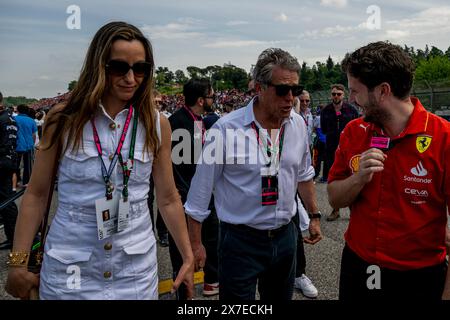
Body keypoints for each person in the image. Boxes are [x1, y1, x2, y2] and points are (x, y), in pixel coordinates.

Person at [6, 21, 194, 300]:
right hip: (70, 271)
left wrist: (187, 256)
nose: (131, 78)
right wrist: (18, 262)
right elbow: (36, 193)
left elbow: (167, 198)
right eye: (119, 68)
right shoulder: (63, 119)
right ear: (98, 66)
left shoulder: (157, 124)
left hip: (135, 273)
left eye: (140, 69)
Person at [185, 48, 322, 301]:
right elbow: (199, 195)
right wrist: (195, 244)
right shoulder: (225, 130)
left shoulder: (298, 124)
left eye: (295, 89)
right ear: (259, 88)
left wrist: (314, 215)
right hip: (240, 241)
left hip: (285, 237)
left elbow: (303, 174)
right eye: (282, 90)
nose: (291, 98)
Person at [327, 41, 450, 300]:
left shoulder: (443, 138)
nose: (351, 99)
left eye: (355, 91)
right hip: (358, 266)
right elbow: (334, 198)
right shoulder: (353, 132)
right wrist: (359, 179)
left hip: (418, 276)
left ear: (383, 91)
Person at [168, 78, 220, 298]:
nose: (214, 100)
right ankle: (184, 291)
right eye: (211, 96)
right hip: (184, 198)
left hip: (202, 194)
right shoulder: (175, 122)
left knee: (211, 239)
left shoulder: (198, 120)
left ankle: (211, 280)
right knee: (182, 248)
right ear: (201, 100)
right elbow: (176, 168)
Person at [320, 84, 358, 221]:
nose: (336, 96)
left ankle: (353, 210)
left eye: (339, 94)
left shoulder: (352, 110)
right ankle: (335, 210)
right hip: (331, 149)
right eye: (334, 94)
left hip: (348, 149)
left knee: (351, 179)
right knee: (333, 180)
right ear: (331, 95)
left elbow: (356, 129)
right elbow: (323, 129)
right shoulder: (325, 111)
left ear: (344, 95)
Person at [0, 91, 19, 250]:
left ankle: (14, 238)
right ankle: (12, 236)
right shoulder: (10, 118)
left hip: (2, 162)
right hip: (8, 160)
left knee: (6, 202)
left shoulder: (2, 119)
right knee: (6, 201)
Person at [14, 104, 37, 187]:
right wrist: (32, 144)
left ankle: (16, 180)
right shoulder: (31, 121)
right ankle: (26, 182)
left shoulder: (14, 119)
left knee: (15, 164)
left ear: (18, 110)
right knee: (28, 165)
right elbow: (34, 134)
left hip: (16, 144)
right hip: (29, 145)